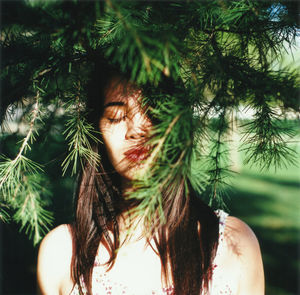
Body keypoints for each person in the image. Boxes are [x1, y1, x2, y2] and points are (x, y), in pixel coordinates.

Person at [37, 60, 264, 295]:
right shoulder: (62, 253)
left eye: (153, 111)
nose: (136, 129)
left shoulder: (234, 244)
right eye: (116, 116)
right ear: (96, 132)